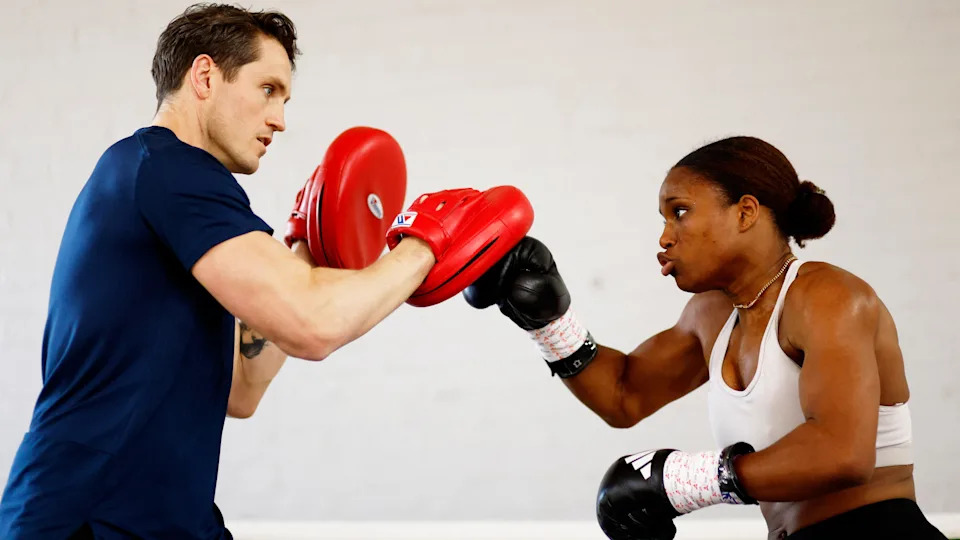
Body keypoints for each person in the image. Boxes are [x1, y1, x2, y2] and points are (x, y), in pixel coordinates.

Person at [0, 4, 508, 538]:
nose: (280, 120)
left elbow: (241, 388)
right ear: (204, 76)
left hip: (163, 518)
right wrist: (428, 242)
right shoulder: (171, 169)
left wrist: (310, 253)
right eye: (268, 89)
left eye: (285, 99)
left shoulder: (149, 176)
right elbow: (312, 324)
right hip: (85, 518)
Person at [465, 136, 948, 539]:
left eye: (679, 212)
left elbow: (842, 454)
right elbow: (623, 394)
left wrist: (679, 482)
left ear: (745, 213)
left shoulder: (826, 295)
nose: (664, 237)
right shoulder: (712, 314)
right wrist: (550, 322)